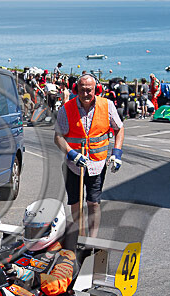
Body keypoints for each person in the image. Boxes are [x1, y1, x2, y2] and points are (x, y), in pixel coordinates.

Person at [53, 73, 124, 238]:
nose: (86, 94)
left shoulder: (107, 106)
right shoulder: (66, 108)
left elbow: (119, 129)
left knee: (93, 203)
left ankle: (92, 239)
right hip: (73, 165)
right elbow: (58, 137)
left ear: (96, 90)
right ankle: (79, 236)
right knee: (76, 203)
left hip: (97, 164)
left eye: (89, 90)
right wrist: (71, 154)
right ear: (76, 89)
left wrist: (117, 153)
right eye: (82, 90)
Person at [0, 199, 78, 296]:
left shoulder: (64, 255)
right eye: (30, 230)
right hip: (4, 288)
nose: (33, 235)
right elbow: (2, 261)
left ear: (55, 227)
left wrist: (26, 274)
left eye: (38, 230)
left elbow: (57, 285)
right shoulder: (22, 247)